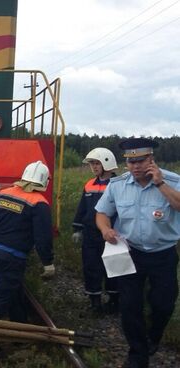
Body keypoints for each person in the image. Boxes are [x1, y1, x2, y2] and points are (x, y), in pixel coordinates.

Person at [95, 138, 180, 368]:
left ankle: (154, 335)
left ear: (152, 160)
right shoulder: (118, 185)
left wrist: (161, 185)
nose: (135, 167)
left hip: (163, 254)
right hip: (130, 252)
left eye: (140, 161)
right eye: (131, 162)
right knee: (129, 305)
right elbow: (102, 213)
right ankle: (138, 355)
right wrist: (105, 229)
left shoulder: (173, 181)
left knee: (163, 303)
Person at [0, 161, 55, 322]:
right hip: (13, 257)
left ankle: (20, 325)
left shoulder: (4, 193)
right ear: (44, 181)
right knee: (2, 296)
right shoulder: (39, 203)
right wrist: (48, 262)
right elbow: (43, 237)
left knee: (14, 290)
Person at [71, 148, 119, 314]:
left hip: (112, 234)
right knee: (91, 267)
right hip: (90, 234)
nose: (94, 166)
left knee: (113, 268)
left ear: (107, 163)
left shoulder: (118, 185)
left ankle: (114, 302)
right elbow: (82, 208)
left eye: (97, 163)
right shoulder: (89, 185)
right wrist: (77, 228)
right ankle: (95, 303)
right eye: (92, 163)